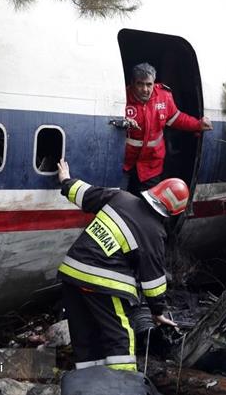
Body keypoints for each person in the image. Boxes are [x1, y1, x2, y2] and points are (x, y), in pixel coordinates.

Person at [56, 159, 187, 372]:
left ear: (155, 191)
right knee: (121, 338)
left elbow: (83, 194)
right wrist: (157, 312)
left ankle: (89, 383)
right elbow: (152, 281)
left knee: (85, 337)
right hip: (104, 283)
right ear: (173, 212)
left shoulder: (120, 197)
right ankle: (123, 385)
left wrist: (66, 179)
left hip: (72, 273)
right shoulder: (155, 232)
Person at [122, 62, 213, 193]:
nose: (145, 89)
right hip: (125, 163)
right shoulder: (122, 97)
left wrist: (197, 124)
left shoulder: (164, 97)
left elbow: (178, 118)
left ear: (154, 83)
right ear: (132, 83)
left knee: (148, 205)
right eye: (140, 84)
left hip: (151, 165)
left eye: (149, 84)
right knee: (120, 201)